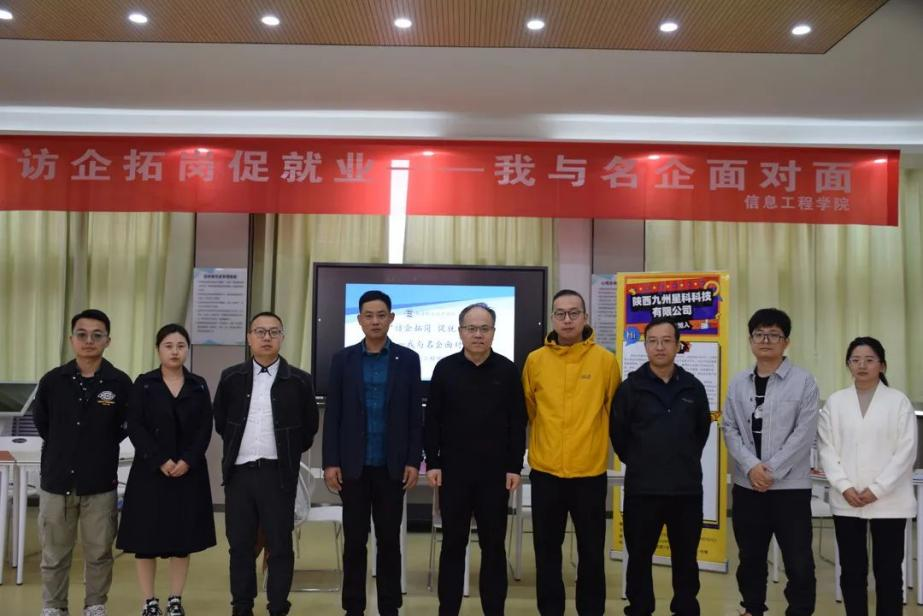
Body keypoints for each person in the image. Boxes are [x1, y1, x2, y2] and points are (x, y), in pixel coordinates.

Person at [323, 290, 423, 616]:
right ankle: (353, 607)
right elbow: (334, 415)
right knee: (355, 541)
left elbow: (414, 416)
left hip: (392, 467)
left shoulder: (408, 359)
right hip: (353, 466)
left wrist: (413, 460)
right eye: (369, 315)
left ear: (391, 318)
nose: (375, 321)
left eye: (381, 315)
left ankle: (389, 607)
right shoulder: (343, 360)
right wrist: (330, 462)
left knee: (389, 541)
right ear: (359, 319)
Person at [521, 289, 620, 616]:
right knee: (547, 552)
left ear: (585, 317)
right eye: (560, 313)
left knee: (591, 553)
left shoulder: (605, 361)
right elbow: (530, 411)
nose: (567, 320)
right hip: (546, 473)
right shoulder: (535, 361)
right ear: (552, 318)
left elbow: (615, 412)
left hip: (589, 474)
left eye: (574, 313)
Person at [213, 312, 319, 616]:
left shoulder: (299, 380)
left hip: (278, 474)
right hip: (240, 474)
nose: (267, 337)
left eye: (274, 332)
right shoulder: (231, 377)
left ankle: (278, 606)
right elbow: (221, 422)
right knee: (240, 546)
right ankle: (241, 606)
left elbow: (308, 428)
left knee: (280, 545)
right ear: (249, 337)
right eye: (260, 331)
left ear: (282, 337)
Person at [424, 302, 527, 616]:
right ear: (460, 332)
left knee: (493, 547)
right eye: (471, 328)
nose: (478, 335)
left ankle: (494, 610)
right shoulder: (445, 369)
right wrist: (434, 462)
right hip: (453, 474)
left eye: (484, 329)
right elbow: (432, 420)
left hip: (495, 476)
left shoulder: (508, 371)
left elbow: (517, 422)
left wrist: (514, 466)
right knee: (453, 545)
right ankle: (448, 610)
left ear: (493, 332)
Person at [32, 309, 132, 616]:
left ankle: (95, 605)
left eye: (97, 335)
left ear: (108, 341)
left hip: (99, 481)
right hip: (57, 481)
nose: (89, 340)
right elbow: (43, 423)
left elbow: (123, 426)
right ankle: (54, 606)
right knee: (54, 554)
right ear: (71, 339)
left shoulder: (119, 383)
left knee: (99, 553)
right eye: (82, 334)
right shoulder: (53, 381)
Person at [611, 317, 712, 616]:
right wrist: (642, 461)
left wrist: (681, 458)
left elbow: (701, 432)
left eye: (667, 341)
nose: (660, 347)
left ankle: (685, 607)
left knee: (686, 558)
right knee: (639, 557)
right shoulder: (630, 388)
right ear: (645, 346)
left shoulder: (693, 387)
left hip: (685, 490)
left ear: (678, 345)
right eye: (653, 341)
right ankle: (640, 608)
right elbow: (619, 436)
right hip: (643, 490)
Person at [722, 308, 819, 616]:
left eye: (773, 335)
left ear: (786, 342)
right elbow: (729, 428)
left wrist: (770, 471)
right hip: (747, 486)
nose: (765, 340)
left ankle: (800, 610)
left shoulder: (804, 382)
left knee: (799, 560)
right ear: (750, 340)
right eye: (759, 334)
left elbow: (804, 433)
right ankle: (752, 608)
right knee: (750, 557)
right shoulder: (738, 383)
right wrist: (752, 467)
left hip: (790, 488)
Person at [116, 324, 217, 616]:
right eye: (168, 346)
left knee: (181, 540)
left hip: (188, 472)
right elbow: (135, 425)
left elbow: (205, 427)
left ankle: (175, 599)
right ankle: (149, 601)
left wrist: (188, 460)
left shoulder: (198, 384)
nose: (175, 351)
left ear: (187, 350)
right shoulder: (144, 383)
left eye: (181, 346)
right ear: (158, 349)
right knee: (145, 540)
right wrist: (159, 459)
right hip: (150, 472)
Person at [817, 337, 917, 616]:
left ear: (882, 366)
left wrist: (878, 489)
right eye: (855, 360)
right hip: (847, 499)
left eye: (869, 360)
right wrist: (844, 486)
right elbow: (826, 448)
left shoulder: (898, 402)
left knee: (888, 571)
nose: (862, 365)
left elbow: (906, 450)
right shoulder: (836, 402)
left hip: (890, 501)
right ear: (848, 364)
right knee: (852, 570)